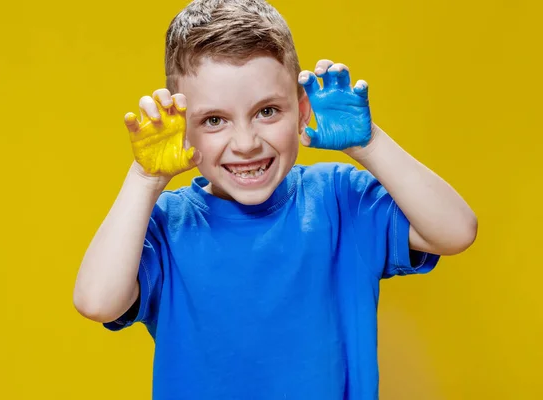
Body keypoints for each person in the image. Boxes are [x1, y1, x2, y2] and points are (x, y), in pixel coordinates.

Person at [73, 0, 478, 399]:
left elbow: (456, 231)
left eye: (267, 111)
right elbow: (97, 301)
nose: (246, 143)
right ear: (183, 129)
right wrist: (145, 178)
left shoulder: (340, 200)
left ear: (302, 111)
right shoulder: (167, 225)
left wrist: (369, 143)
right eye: (214, 120)